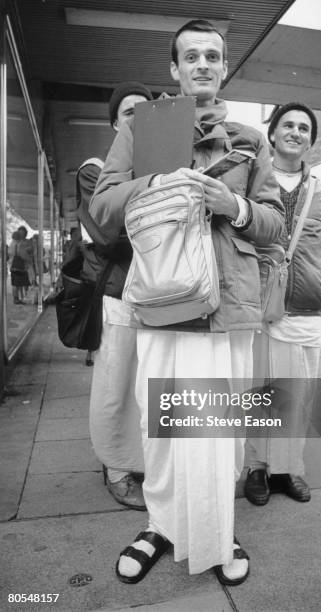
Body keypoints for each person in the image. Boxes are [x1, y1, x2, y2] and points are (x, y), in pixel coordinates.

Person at [90, 19, 283, 585]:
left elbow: (272, 224)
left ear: (224, 69)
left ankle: (218, 528)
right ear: (174, 69)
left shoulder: (251, 137)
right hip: (163, 297)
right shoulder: (142, 126)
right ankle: (160, 524)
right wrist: (157, 183)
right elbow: (103, 208)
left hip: (228, 305)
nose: (202, 64)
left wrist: (234, 205)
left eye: (212, 56)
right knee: (162, 424)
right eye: (190, 56)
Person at [245, 102, 321, 506]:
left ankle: (288, 468)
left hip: (304, 309)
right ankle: (256, 468)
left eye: (304, 127)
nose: (296, 132)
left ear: (311, 141)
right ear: (272, 134)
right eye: (287, 124)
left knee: (298, 394)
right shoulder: (253, 181)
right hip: (257, 305)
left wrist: (316, 280)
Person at [82, 82, 153, 505]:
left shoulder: (159, 162)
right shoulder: (96, 171)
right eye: (129, 112)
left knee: (146, 384)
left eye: (145, 112)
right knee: (115, 383)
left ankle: (142, 462)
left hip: (161, 295)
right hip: (121, 290)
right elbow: (106, 231)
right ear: (114, 123)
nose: (137, 119)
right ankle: (116, 467)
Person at [9, 230, 28, 304]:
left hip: (12, 266)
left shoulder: (11, 244)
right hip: (18, 267)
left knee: (14, 284)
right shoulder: (19, 244)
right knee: (19, 284)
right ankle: (19, 299)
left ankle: (15, 298)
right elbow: (22, 256)